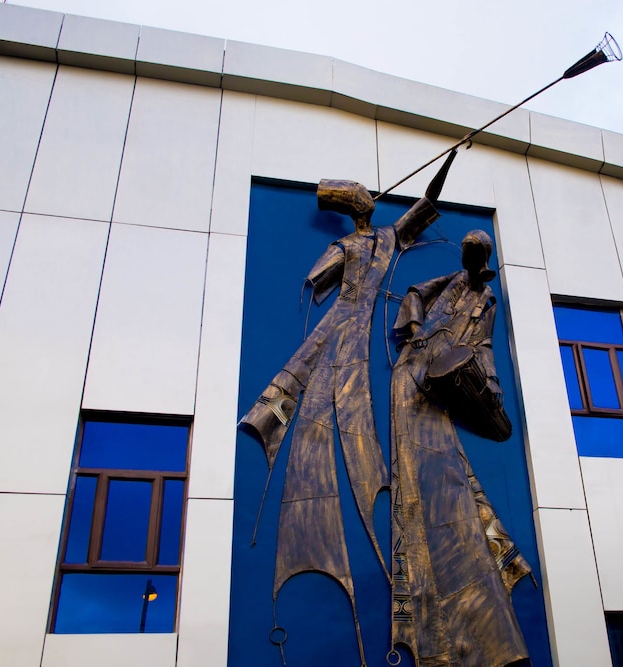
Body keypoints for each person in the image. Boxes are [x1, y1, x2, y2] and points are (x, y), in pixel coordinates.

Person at [239, 153, 457, 666]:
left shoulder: (385, 237)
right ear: (358, 206)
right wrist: (333, 261)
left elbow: (425, 204)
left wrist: (450, 158)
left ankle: (381, 592)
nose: (366, 201)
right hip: (340, 327)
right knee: (317, 406)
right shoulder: (351, 245)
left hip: (357, 331)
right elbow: (317, 280)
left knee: (349, 416)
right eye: (360, 197)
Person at [389, 229, 531, 667]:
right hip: (414, 373)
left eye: (475, 254)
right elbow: (415, 292)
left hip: (445, 384)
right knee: (419, 480)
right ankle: (432, 626)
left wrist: (491, 383)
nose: (468, 260)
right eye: (466, 252)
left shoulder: (487, 299)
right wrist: (416, 331)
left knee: (451, 484)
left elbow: (483, 345)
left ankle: (480, 629)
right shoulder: (448, 281)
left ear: (482, 259)